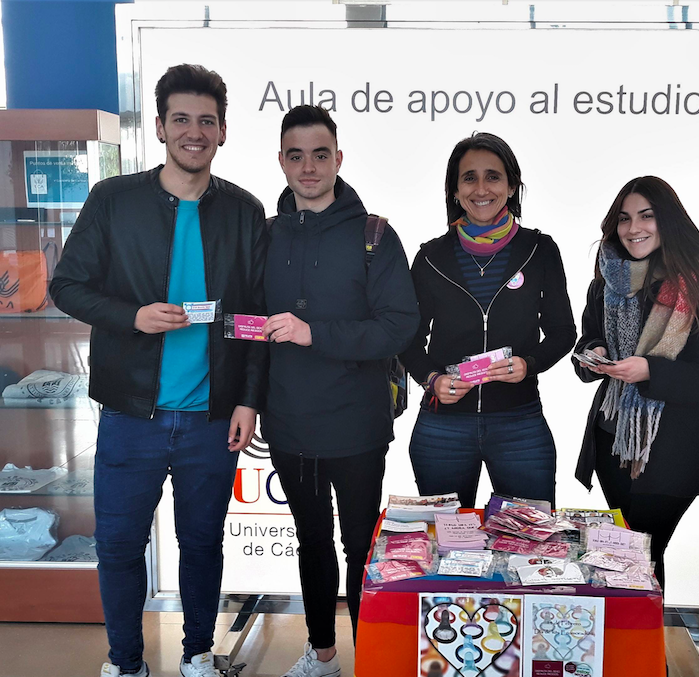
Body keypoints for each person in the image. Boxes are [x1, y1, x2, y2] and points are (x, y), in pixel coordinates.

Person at [49, 65, 267, 677]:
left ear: (223, 130)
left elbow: (253, 317)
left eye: (206, 120)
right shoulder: (114, 201)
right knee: (118, 548)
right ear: (161, 127)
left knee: (201, 548)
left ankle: (198, 653)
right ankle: (126, 663)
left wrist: (248, 400)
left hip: (212, 417)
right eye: (181, 120)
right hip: (130, 416)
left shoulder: (244, 211)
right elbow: (67, 286)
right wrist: (132, 316)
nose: (193, 132)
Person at [260, 105, 419, 677]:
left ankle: (370, 658)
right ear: (281, 161)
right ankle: (323, 654)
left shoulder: (373, 233)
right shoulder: (266, 235)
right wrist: (249, 401)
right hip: (289, 422)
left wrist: (313, 333)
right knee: (312, 543)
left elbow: (399, 325)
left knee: (359, 545)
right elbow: (253, 331)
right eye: (296, 155)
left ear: (339, 159)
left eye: (320, 154)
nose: (308, 167)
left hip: (357, 422)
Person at [400, 132, 576, 509]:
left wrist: (529, 365)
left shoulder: (540, 250)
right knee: (445, 547)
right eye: (469, 177)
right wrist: (433, 380)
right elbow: (408, 341)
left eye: (493, 176)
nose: (482, 188)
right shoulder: (430, 257)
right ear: (454, 190)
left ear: (512, 186)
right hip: (442, 426)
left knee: (529, 547)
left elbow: (563, 332)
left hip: (520, 423)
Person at [572, 176, 699, 591]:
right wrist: (594, 356)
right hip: (612, 441)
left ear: (668, 221)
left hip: (670, 452)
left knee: (645, 558)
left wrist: (650, 371)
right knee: (624, 557)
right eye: (623, 218)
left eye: (646, 216)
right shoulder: (607, 282)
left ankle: (645, 655)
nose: (633, 228)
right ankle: (629, 652)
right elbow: (586, 344)